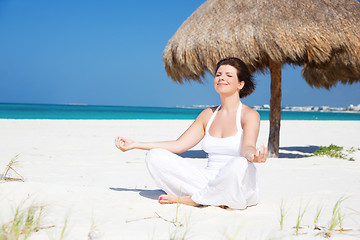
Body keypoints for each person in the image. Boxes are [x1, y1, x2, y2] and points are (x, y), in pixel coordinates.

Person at [115, 57, 267, 210]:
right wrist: (136, 144)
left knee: (239, 163)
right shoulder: (208, 114)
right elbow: (179, 145)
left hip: (237, 182)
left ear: (240, 84)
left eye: (228, 75)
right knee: (154, 156)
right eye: (218, 74)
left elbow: (248, 146)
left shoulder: (249, 115)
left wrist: (252, 156)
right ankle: (210, 197)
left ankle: (196, 199)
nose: (221, 78)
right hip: (206, 181)